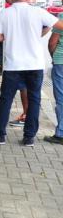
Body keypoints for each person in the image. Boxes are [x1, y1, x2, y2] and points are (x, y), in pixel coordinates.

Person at [0, 0, 63, 147]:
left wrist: (11, 36)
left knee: (6, 100)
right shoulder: (38, 11)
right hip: (35, 65)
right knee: (35, 100)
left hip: (13, 66)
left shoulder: (5, 13)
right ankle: (29, 138)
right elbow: (58, 25)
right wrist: (41, 31)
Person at [47, 11, 63, 145]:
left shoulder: (62, 17)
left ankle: (61, 133)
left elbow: (52, 42)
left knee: (61, 98)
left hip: (61, 62)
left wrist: (54, 56)